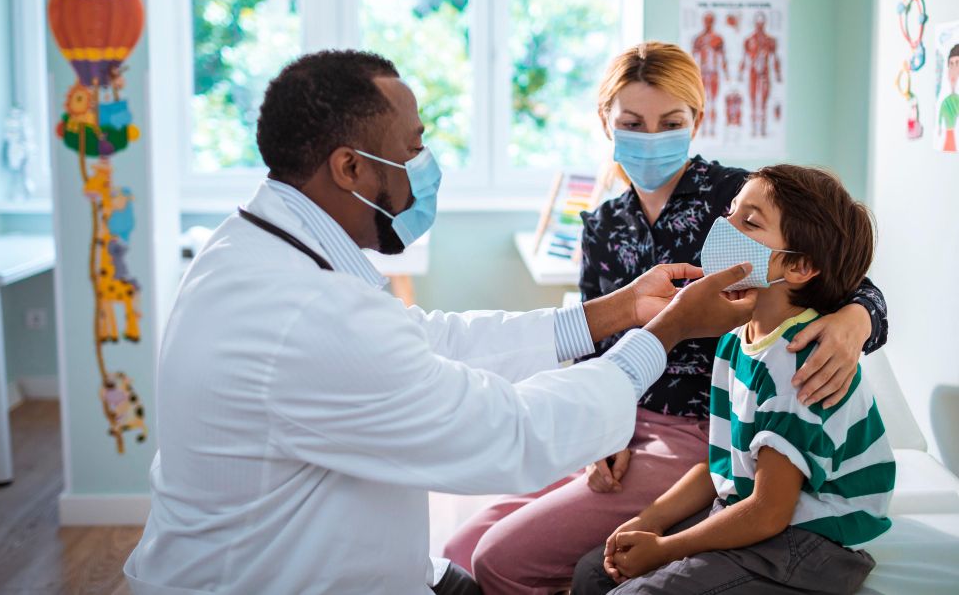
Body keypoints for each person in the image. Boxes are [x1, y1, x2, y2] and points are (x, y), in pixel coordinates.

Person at [122, 50, 759, 595]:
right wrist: (664, 333)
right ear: (351, 169)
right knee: (481, 555)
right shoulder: (305, 315)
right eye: (415, 147)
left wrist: (617, 312)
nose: (427, 165)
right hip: (275, 578)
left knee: (481, 563)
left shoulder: (256, 251)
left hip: (322, 561)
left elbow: (431, 339)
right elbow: (513, 435)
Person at [443, 42, 888, 595]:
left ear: (696, 121)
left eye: (670, 122)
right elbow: (594, 342)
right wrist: (603, 422)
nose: (651, 138)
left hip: (704, 429)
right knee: (459, 551)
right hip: (623, 418)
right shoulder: (604, 223)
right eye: (632, 122)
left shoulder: (738, 197)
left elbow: (843, 278)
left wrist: (855, 322)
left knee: (500, 559)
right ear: (606, 123)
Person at [573, 164, 893, 594]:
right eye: (730, 211)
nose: (723, 226)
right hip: (754, 508)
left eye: (750, 221)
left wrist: (665, 549)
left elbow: (769, 511)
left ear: (798, 266)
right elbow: (722, 465)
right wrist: (651, 520)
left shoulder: (798, 362)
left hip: (810, 542)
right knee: (593, 573)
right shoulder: (735, 341)